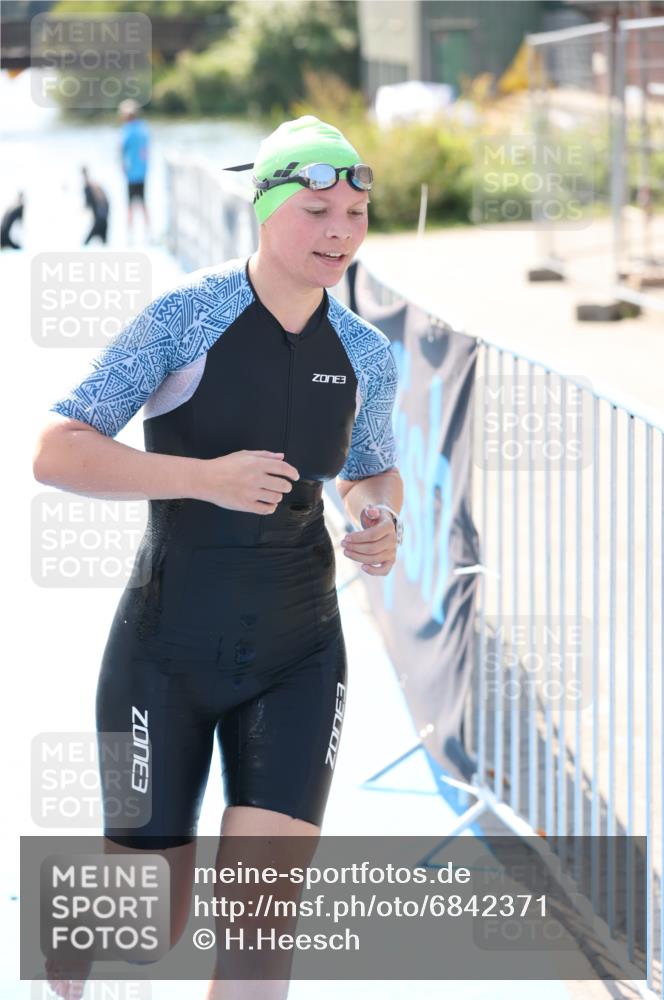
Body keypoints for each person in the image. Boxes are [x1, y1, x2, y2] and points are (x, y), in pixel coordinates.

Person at [33, 114, 404, 999]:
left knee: (258, 941)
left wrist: (380, 514)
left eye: (353, 216)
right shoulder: (185, 316)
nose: (339, 232)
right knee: (146, 930)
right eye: (316, 211)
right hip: (165, 648)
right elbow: (57, 449)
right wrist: (203, 478)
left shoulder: (365, 352)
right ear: (265, 209)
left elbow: (369, 466)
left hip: (300, 651)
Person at [119, 97, 150, 239]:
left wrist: (122, 166)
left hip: (131, 174)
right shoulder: (143, 128)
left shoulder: (127, 130)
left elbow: (122, 149)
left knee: (130, 205)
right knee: (143, 203)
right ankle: (148, 233)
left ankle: (129, 235)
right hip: (142, 172)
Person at [81, 167, 109, 245]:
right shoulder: (90, 186)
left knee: (88, 241)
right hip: (101, 216)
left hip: (101, 217)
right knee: (103, 240)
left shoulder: (90, 187)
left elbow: (101, 200)